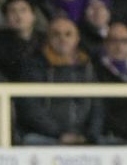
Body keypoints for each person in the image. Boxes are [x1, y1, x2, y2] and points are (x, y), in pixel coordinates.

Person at [17, 16, 103, 144]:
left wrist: (90, 136)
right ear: (48, 39)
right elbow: (31, 109)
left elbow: (98, 107)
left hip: (83, 137)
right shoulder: (34, 66)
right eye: (56, 34)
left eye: (68, 34)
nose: (63, 39)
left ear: (77, 38)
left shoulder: (87, 67)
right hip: (46, 136)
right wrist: (59, 134)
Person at [0, 0, 45, 81]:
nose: (18, 15)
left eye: (23, 10)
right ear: (6, 17)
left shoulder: (45, 40)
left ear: (33, 15)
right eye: (13, 11)